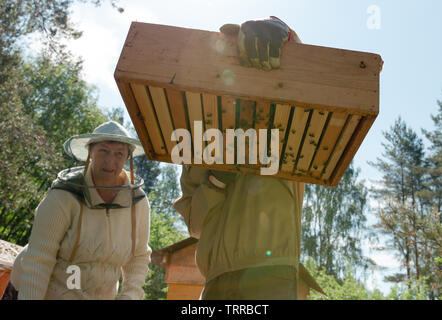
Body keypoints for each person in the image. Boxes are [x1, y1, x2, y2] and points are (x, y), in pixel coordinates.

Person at [174, 17, 306, 300]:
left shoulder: (287, 123)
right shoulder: (199, 139)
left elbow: (308, 81)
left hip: (272, 275)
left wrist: (285, 35)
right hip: (216, 281)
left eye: (242, 54)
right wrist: (216, 182)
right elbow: (195, 226)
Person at [9, 121, 151, 300]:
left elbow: (138, 257)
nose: (110, 161)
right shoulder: (64, 194)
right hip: (39, 291)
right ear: (90, 152)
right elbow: (40, 259)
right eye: (103, 151)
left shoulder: (138, 202)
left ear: (128, 158)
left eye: (119, 154)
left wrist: (130, 296)